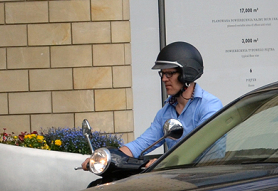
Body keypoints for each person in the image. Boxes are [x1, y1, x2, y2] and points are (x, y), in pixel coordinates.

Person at [82, 41, 222, 170]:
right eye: (162, 74)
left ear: (187, 74)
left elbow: (199, 147)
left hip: (209, 177)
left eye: (169, 74)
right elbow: (141, 144)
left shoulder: (209, 106)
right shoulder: (166, 112)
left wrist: (163, 162)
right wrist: (105, 158)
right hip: (179, 176)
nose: (164, 79)